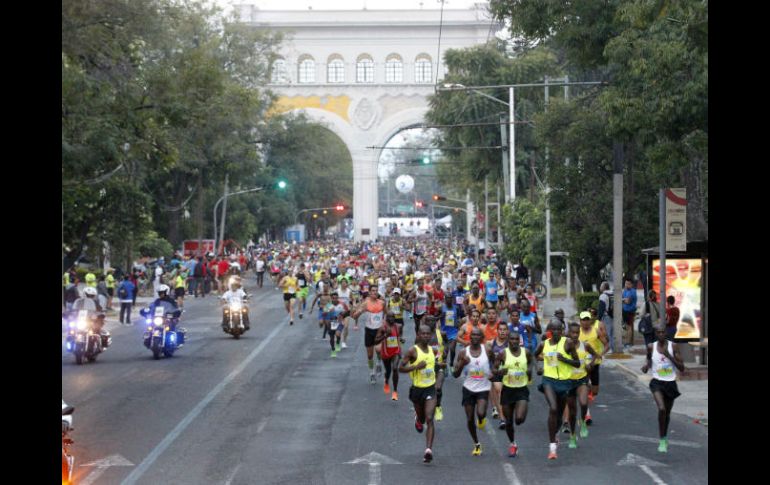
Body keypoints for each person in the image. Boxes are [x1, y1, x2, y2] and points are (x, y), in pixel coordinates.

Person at [535, 320, 580, 460]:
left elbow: (577, 363)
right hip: (548, 380)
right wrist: (539, 366)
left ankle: (555, 433)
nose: (556, 332)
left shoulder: (568, 343)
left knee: (559, 415)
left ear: (562, 331)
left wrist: (564, 359)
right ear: (549, 331)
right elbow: (535, 355)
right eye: (553, 330)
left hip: (565, 382)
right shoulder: (544, 344)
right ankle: (552, 447)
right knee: (553, 408)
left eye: (558, 330)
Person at [399, 324, 444, 463]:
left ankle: (428, 450)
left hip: (430, 389)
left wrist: (440, 371)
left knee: (430, 418)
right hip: (417, 390)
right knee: (422, 418)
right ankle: (418, 419)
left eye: (428, 334)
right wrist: (416, 367)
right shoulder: (412, 351)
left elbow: (436, 367)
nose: (425, 336)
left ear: (431, 335)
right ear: (418, 335)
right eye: (423, 334)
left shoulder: (433, 351)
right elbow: (400, 368)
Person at [641, 324, 685, 453]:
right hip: (657, 382)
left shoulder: (673, 346)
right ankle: (661, 440)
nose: (661, 334)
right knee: (661, 409)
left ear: (666, 333)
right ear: (655, 334)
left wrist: (669, 355)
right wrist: (646, 366)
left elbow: (682, 368)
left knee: (667, 414)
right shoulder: (651, 346)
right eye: (658, 332)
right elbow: (649, 360)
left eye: (663, 332)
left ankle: (665, 437)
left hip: (670, 383)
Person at [452, 327, 494, 457]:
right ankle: (476, 444)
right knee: (470, 418)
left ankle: (481, 419)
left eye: (477, 335)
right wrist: (462, 363)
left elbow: (495, 363)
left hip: (483, 388)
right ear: (470, 337)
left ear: (482, 338)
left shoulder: (487, 350)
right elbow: (455, 374)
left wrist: (493, 372)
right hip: (468, 388)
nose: (475, 337)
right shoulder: (463, 353)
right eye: (473, 335)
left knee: (481, 413)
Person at [492, 328, 533, 457]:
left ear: (519, 340)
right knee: (509, 422)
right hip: (508, 390)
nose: (514, 341)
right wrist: (499, 372)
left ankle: (522, 411)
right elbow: (494, 369)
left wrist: (529, 371)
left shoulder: (526, 352)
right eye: (512, 339)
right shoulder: (503, 354)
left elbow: (531, 362)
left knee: (519, 419)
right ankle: (512, 444)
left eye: (516, 339)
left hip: (521, 389)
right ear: (508, 341)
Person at [564, 322, 600, 446]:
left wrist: (591, 364)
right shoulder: (564, 346)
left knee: (584, 403)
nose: (575, 335)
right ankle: (572, 436)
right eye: (573, 333)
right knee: (572, 412)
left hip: (582, 379)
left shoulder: (585, 345)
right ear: (569, 333)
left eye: (577, 333)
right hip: (568, 381)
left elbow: (596, 355)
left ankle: (583, 421)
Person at [578, 310, 609, 425]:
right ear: (580, 321)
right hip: (582, 364)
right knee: (585, 387)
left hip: (594, 362)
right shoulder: (576, 332)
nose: (585, 322)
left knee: (595, 391)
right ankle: (586, 414)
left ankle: (588, 393)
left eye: (587, 319)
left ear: (590, 320)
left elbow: (607, 345)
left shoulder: (596, 331)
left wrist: (600, 354)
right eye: (583, 320)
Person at [352, 290, 386, 384]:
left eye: (375, 291)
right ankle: (372, 373)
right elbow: (355, 316)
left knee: (379, 350)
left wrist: (384, 322)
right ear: (370, 293)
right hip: (369, 331)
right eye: (372, 291)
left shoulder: (382, 303)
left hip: (379, 331)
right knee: (370, 355)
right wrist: (358, 312)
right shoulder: (365, 303)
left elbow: (386, 313)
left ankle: (379, 363)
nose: (374, 293)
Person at [486, 321, 509, 429]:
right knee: (499, 391)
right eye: (500, 329)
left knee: (506, 396)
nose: (502, 332)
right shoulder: (490, 343)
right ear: (497, 331)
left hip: (508, 373)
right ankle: (502, 419)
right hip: (495, 372)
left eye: (504, 330)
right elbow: (486, 359)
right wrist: (488, 372)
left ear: (507, 331)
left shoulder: (510, 344)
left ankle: (502, 411)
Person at [374, 314, 401, 400]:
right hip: (386, 352)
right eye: (389, 317)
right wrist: (385, 335)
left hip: (396, 351)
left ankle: (395, 391)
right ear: (386, 318)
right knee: (388, 371)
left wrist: (401, 341)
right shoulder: (382, 328)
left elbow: (398, 337)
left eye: (393, 317)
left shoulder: (398, 326)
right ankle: (386, 381)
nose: (391, 318)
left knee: (395, 368)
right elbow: (376, 341)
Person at [597, 282, 614, 352]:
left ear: (604, 287)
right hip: (614, 316)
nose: (600, 287)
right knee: (612, 333)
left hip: (606, 316)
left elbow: (601, 308)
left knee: (606, 333)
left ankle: (608, 348)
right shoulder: (613, 294)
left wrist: (598, 319)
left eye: (601, 286)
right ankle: (613, 348)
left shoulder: (603, 296)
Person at [621, 279, 637, 351]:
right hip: (625, 311)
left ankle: (628, 343)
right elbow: (622, 299)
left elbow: (627, 301)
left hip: (630, 311)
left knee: (629, 327)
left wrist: (623, 300)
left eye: (628, 284)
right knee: (627, 327)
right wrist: (624, 300)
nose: (626, 285)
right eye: (626, 283)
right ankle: (628, 342)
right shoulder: (625, 291)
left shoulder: (633, 291)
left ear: (631, 284)